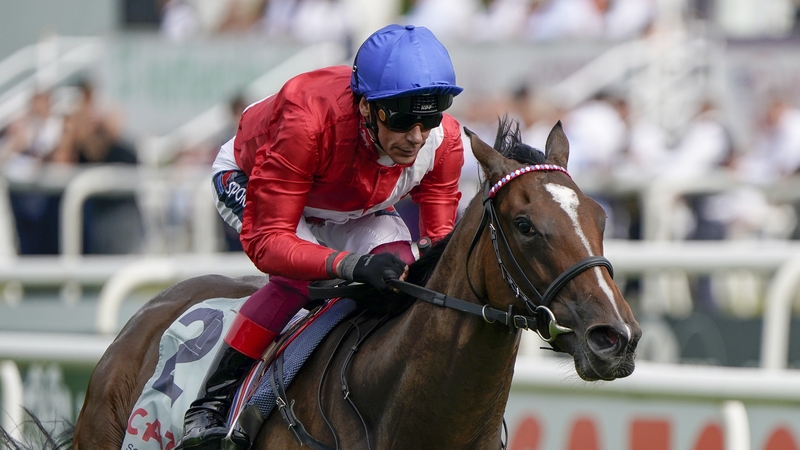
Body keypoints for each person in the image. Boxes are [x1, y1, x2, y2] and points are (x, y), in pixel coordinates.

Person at [176, 24, 465, 450]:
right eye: (404, 119)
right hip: (252, 179)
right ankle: (209, 405)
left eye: (430, 118)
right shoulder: (306, 120)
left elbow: (441, 247)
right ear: (366, 107)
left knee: (401, 272)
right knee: (300, 278)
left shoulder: (446, 141)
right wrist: (350, 264)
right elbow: (268, 242)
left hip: (345, 200)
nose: (418, 137)